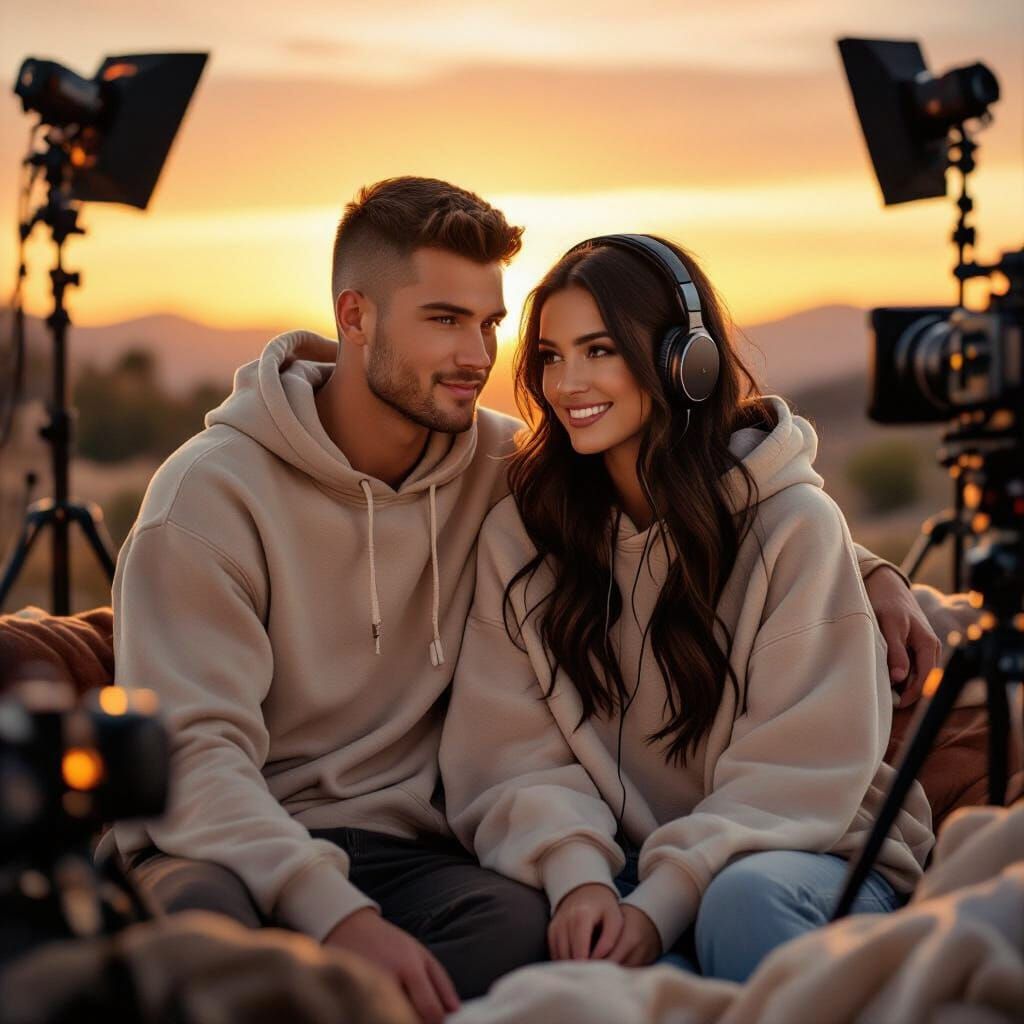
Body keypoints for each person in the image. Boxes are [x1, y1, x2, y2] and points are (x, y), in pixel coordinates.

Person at [106, 180, 938, 1019]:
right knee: (203, 940)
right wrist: (337, 914)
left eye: (491, 325)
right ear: (355, 317)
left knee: (522, 927)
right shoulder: (206, 503)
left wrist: (871, 573)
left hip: (415, 853)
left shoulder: (501, 467)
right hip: (229, 841)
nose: (478, 356)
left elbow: (732, 509)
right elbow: (194, 759)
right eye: (444, 319)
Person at [439, 234, 935, 985]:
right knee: (588, 976)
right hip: (637, 871)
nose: (569, 382)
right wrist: (578, 880)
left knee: (738, 904)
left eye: (600, 350)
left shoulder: (792, 524)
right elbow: (510, 752)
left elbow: (796, 771)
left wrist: (663, 899)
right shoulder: (523, 533)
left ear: (685, 361)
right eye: (550, 355)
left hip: (815, 854)